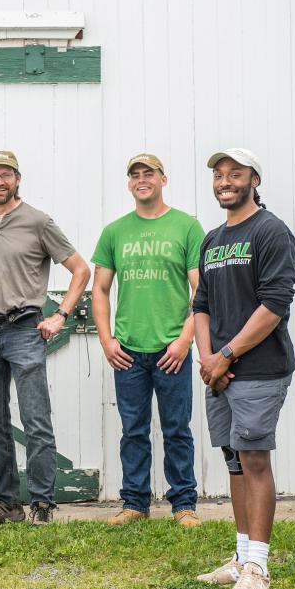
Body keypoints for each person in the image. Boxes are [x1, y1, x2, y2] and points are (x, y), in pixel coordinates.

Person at [0, 150, 91, 524]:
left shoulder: (38, 222)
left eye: (6, 175)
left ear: (18, 179)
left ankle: (43, 502)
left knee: (36, 420)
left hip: (24, 329)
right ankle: (7, 502)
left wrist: (60, 315)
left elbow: (80, 270)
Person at [192, 148, 295, 589]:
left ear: (255, 179)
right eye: (219, 175)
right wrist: (207, 359)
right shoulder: (213, 238)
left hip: (258, 368)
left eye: (235, 174)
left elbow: (275, 304)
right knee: (233, 460)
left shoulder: (272, 232)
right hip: (220, 372)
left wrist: (227, 355)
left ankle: (258, 565)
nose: (225, 181)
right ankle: (239, 557)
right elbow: (201, 305)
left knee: (254, 459)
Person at [91, 153, 205, 528]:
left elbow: (202, 291)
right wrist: (107, 340)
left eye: (149, 173)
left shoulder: (187, 227)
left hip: (172, 349)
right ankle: (134, 503)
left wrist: (185, 340)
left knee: (177, 429)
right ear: (129, 184)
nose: (142, 179)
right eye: (135, 175)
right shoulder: (115, 232)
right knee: (134, 431)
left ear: (162, 179)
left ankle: (184, 504)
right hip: (128, 350)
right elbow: (101, 289)